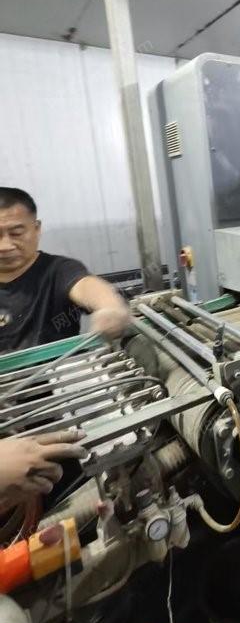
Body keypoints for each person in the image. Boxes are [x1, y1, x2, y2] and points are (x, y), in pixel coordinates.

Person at [0, 186, 132, 505]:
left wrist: (110, 307)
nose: (5, 245)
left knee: (67, 505)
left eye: (16, 232)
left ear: (37, 229)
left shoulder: (57, 271)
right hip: (5, 430)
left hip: (58, 420)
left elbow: (87, 286)